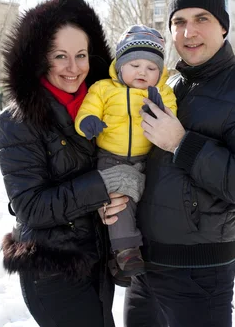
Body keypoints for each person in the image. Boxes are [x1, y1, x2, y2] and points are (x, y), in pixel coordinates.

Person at [124, 0, 235, 326]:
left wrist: (182, 144)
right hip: (143, 268)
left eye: (201, 19)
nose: (188, 31)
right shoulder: (166, 88)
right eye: (178, 21)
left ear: (223, 27)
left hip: (198, 274)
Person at [0, 0, 132, 327]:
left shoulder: (104, 109)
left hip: (98, 262)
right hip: (53, 269)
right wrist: (103, 187)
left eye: (81, 55)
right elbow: (32, 206)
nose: (73, 68)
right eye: (60, 56)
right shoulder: (17, 122)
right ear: (40, 59)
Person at [74, 25, 177, 280]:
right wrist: (88, 123)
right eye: (135, 65)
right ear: (120, 66)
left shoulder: (163, 92)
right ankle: (125, 252)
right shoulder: (104, 89)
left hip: (147, 158)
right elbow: (88, 109)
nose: (143, 72)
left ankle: (119, 262)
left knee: (143, 206)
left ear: (160, 72)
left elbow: (172, 117)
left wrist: (159, 109)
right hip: (111, 158)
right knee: (119, 200)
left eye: (151, 68)